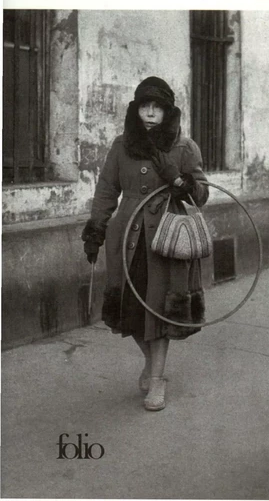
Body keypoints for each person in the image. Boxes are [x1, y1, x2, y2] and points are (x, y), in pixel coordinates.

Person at [82, 76, 209, 412]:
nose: (150, 112)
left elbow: (203, 194)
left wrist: (179, 182)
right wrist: (96, 229)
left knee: (160, 309)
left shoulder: (184, 146)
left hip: (166, 238)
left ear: (168, 112)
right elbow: (107, 190)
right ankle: (153, 365)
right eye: (145, 106)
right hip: (126, 237)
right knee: (130, 309)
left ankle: (156, 380)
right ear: (136, 109)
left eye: (158, 107)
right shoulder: (121, 145)